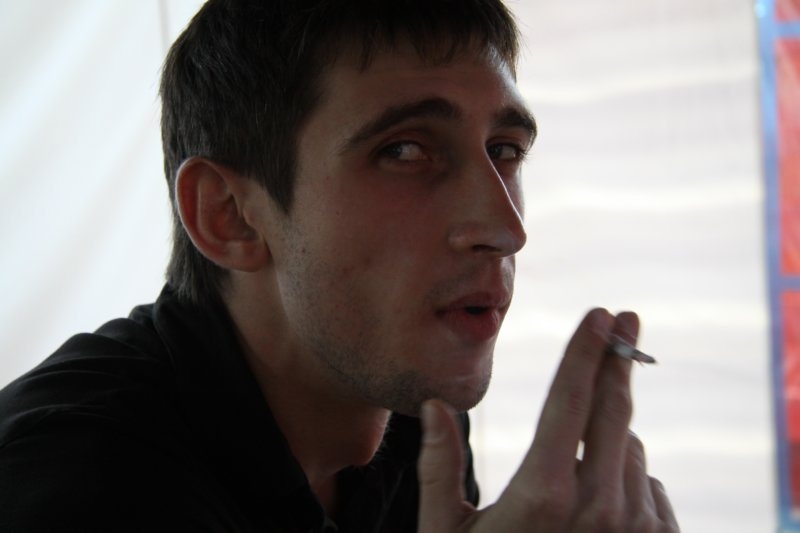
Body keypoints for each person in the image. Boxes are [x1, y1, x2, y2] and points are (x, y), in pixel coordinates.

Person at [0, 0, 679, 531]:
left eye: (504, 149)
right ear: (229, 215)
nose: (506, 230)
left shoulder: (415, 417)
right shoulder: (75, 480)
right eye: (406, 152)